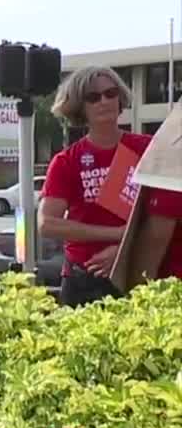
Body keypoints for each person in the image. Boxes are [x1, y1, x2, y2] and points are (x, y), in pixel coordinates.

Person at [39, 66, 152, 307]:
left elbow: (165, 216)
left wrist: (122, 249)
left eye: (111, 93)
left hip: (139, 270)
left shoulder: (148, 150)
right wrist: (117, 234)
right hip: (84, 278)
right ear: (80, 107)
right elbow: (47, 224)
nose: (104, 101)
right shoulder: (66, 161)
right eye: (93, 97)